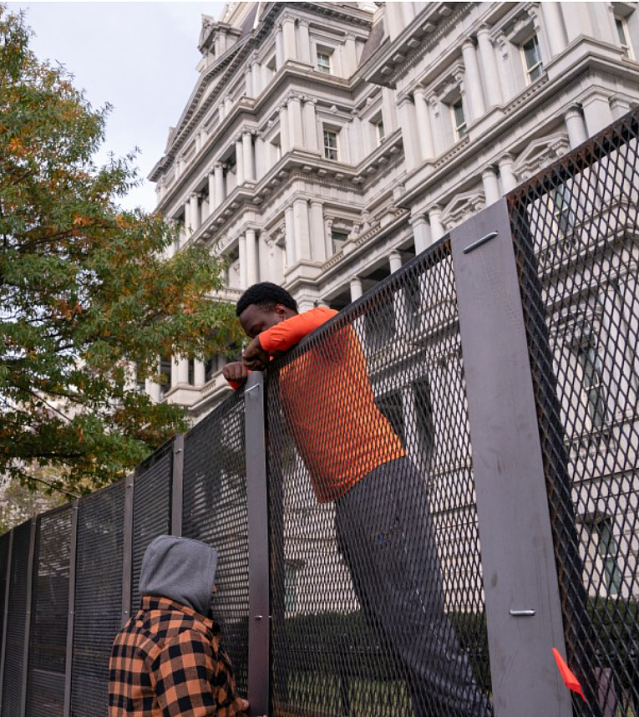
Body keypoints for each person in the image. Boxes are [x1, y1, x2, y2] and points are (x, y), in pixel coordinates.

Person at [222, 282, 492, 717]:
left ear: (281, 311)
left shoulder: (323, 337)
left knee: (412, 614)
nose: (255, 341)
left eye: (260, 328)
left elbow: (325, 315)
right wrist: (239, 378)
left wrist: (262, 346)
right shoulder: (285, 366)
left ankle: (474, 712)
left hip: (379, 475)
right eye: (249, 335)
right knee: (386, 622)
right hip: (346, 500)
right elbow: (258, 394)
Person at [109, 535, 248, 717]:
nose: (214, 589)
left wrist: (233, 707)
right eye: (206, 579)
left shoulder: (131, 628)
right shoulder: (184, 637)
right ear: (182, 576)